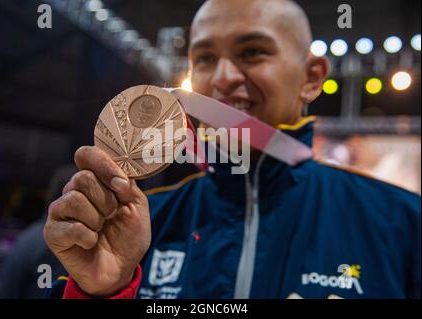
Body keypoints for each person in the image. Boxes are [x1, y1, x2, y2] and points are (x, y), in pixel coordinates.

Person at [44, 0, 421, 299]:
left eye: (253, 51)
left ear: (311, 78)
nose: (223, 78)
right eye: (205, 58)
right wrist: (103, 292)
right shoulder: (138, 224)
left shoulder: (403, 225)